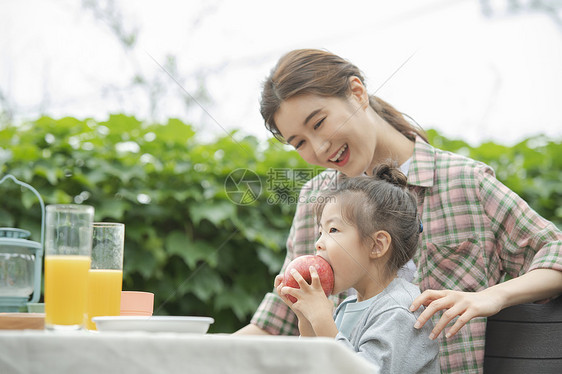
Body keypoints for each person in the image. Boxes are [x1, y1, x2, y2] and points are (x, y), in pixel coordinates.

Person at [235, 48, 562, 374]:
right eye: (299, 143)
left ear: (357, 93)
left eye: (319, 123)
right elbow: (277, 323)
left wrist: (492, 296)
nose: (319, 148)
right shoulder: (318, 201)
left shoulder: (463, 182)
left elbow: (555, 250)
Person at [275, 164, 440, 373]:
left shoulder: (400, 310)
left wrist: (323, 321)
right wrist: (307, 321)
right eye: (321, 232)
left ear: (376, 245)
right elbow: (317, 367)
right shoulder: (349, 305)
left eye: (333, 230)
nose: (318, 243)